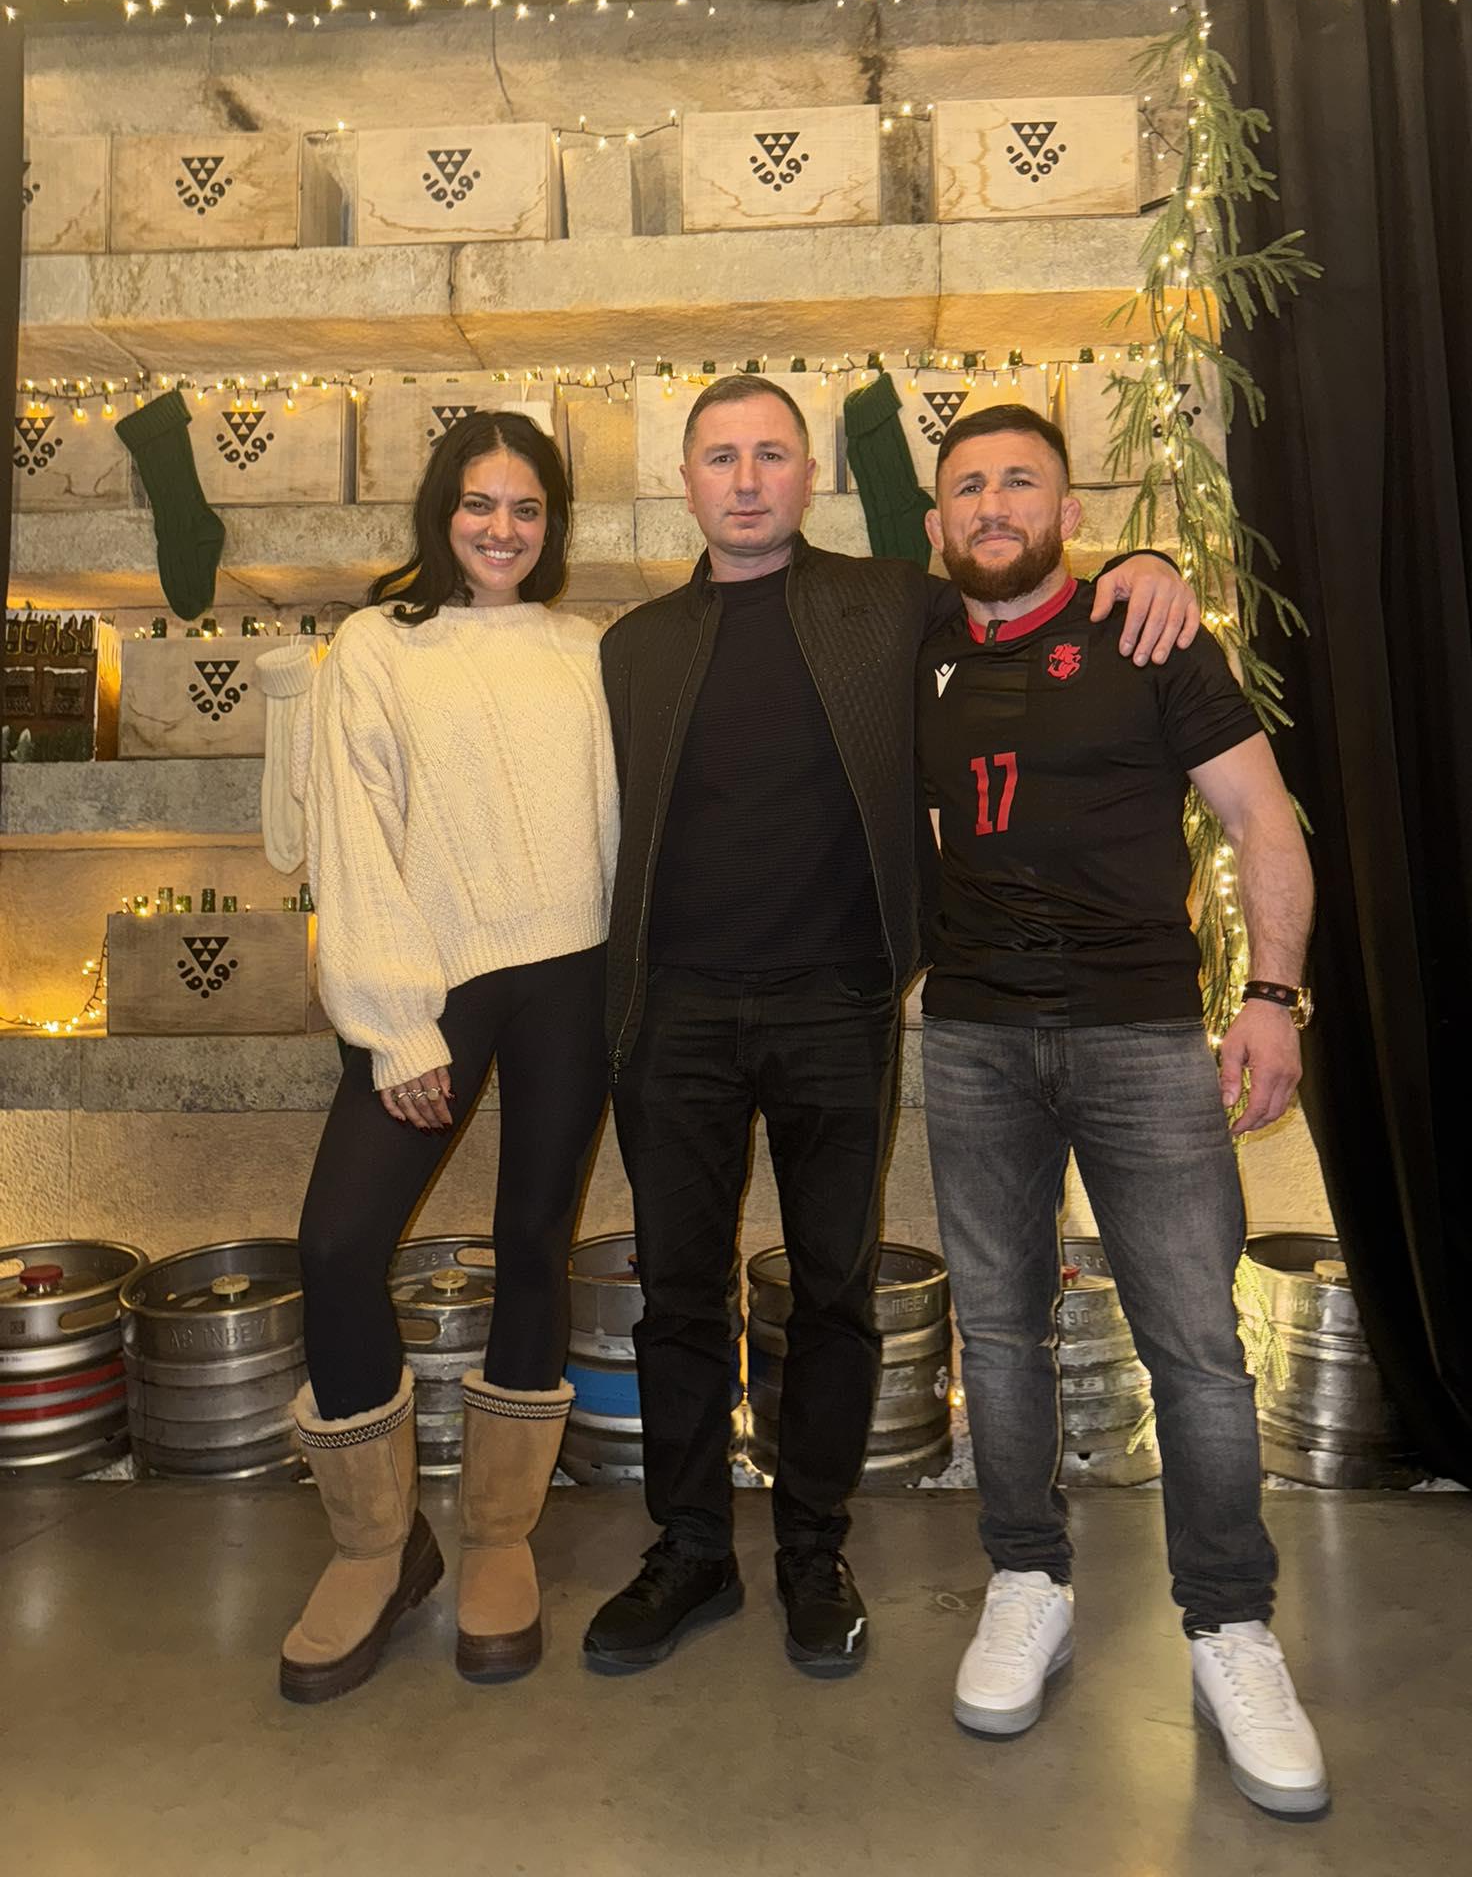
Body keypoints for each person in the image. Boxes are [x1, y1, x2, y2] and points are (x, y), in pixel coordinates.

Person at [581, 373, 1199, 1679]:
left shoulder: (892, 604)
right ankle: (690, 1548)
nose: (747, 480)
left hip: (838, 1002)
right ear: (686, 482)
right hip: (676, 1011)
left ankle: (813, 1549)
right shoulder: (632, 646)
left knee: (835, 1291)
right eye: (720, 458)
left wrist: (1141, 567)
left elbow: (1019, 584)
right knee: (679, 1293)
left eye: (771, 455)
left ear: (808, 477)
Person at [916, 402, 1326, 1815]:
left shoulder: (1149, 633)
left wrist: (1272, 996)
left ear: (1069, 513)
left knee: (1197, 1348)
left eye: (1021, 481)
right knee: (997, 1334)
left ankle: (1230, 1625)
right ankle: (1027, 1581)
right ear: (936, 523)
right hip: (972, 1036)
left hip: (1144, 1033)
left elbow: (1264, 820)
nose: (993, 504)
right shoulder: (918, 644)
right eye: (968, 486)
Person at [279, 411, 617, 1705]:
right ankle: (379, 1543)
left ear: (552, 524)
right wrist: (394, 1020)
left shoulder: (587, 650)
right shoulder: (378, 645)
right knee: (334, 1247)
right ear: (442, 511)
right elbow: (352, 838)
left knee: (534, 1239)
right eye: (480, 503)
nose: (501, 528)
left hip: (573, 976)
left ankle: (498, 1532)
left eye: (527, 508)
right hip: (433, 980)